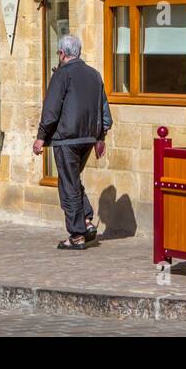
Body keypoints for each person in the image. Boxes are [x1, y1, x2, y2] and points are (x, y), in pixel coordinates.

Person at [33, 34, 112, 250]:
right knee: (72, 179)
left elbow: (51, 110)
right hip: (88, 138)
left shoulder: (62, 74)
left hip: (67, 139)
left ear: (62, 53)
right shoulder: (94, 75)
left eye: (58, 53)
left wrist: (41, 137)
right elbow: (103, 108)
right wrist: (100, 138)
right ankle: (86, 219)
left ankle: (77, 235)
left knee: (67, 184)